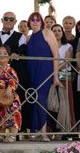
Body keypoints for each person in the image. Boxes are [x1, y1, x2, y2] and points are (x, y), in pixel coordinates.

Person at [25, 11, 60, 141]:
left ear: (41, 22)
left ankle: (44, 132)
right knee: (34, 98)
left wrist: (55, 76)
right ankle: (37, 131)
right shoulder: (28, 38)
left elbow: (56, 55)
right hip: (31, 71)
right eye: (32, 20)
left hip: (45, 70)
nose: (35, 22)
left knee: (41, 98)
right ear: (29, 22)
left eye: (37, 20)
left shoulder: (47, 33)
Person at [50, 24, 75, 136]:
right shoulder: (48, 46)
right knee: (52, 102)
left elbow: (67, 62)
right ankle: (51, 130)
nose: (56, 33)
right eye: (54, 31)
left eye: (59, 30)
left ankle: (65, 130)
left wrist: (54, 69)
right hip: (50, 77)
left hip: (64, 77)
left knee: (65, 102)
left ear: (62, 32)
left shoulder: (67, 46)